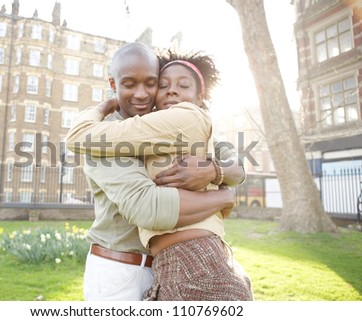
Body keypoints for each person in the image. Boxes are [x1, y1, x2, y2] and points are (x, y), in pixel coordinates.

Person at [67, 48, 253, 300]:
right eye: (129, 84)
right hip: (121, 271)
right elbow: (147, 208)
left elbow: (236, 165)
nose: (142, 93)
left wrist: (214, 170)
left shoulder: (168, 125)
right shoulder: (101, 138)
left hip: (164, 267)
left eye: (151, 83)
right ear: (114, 84)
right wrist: (223, 198)